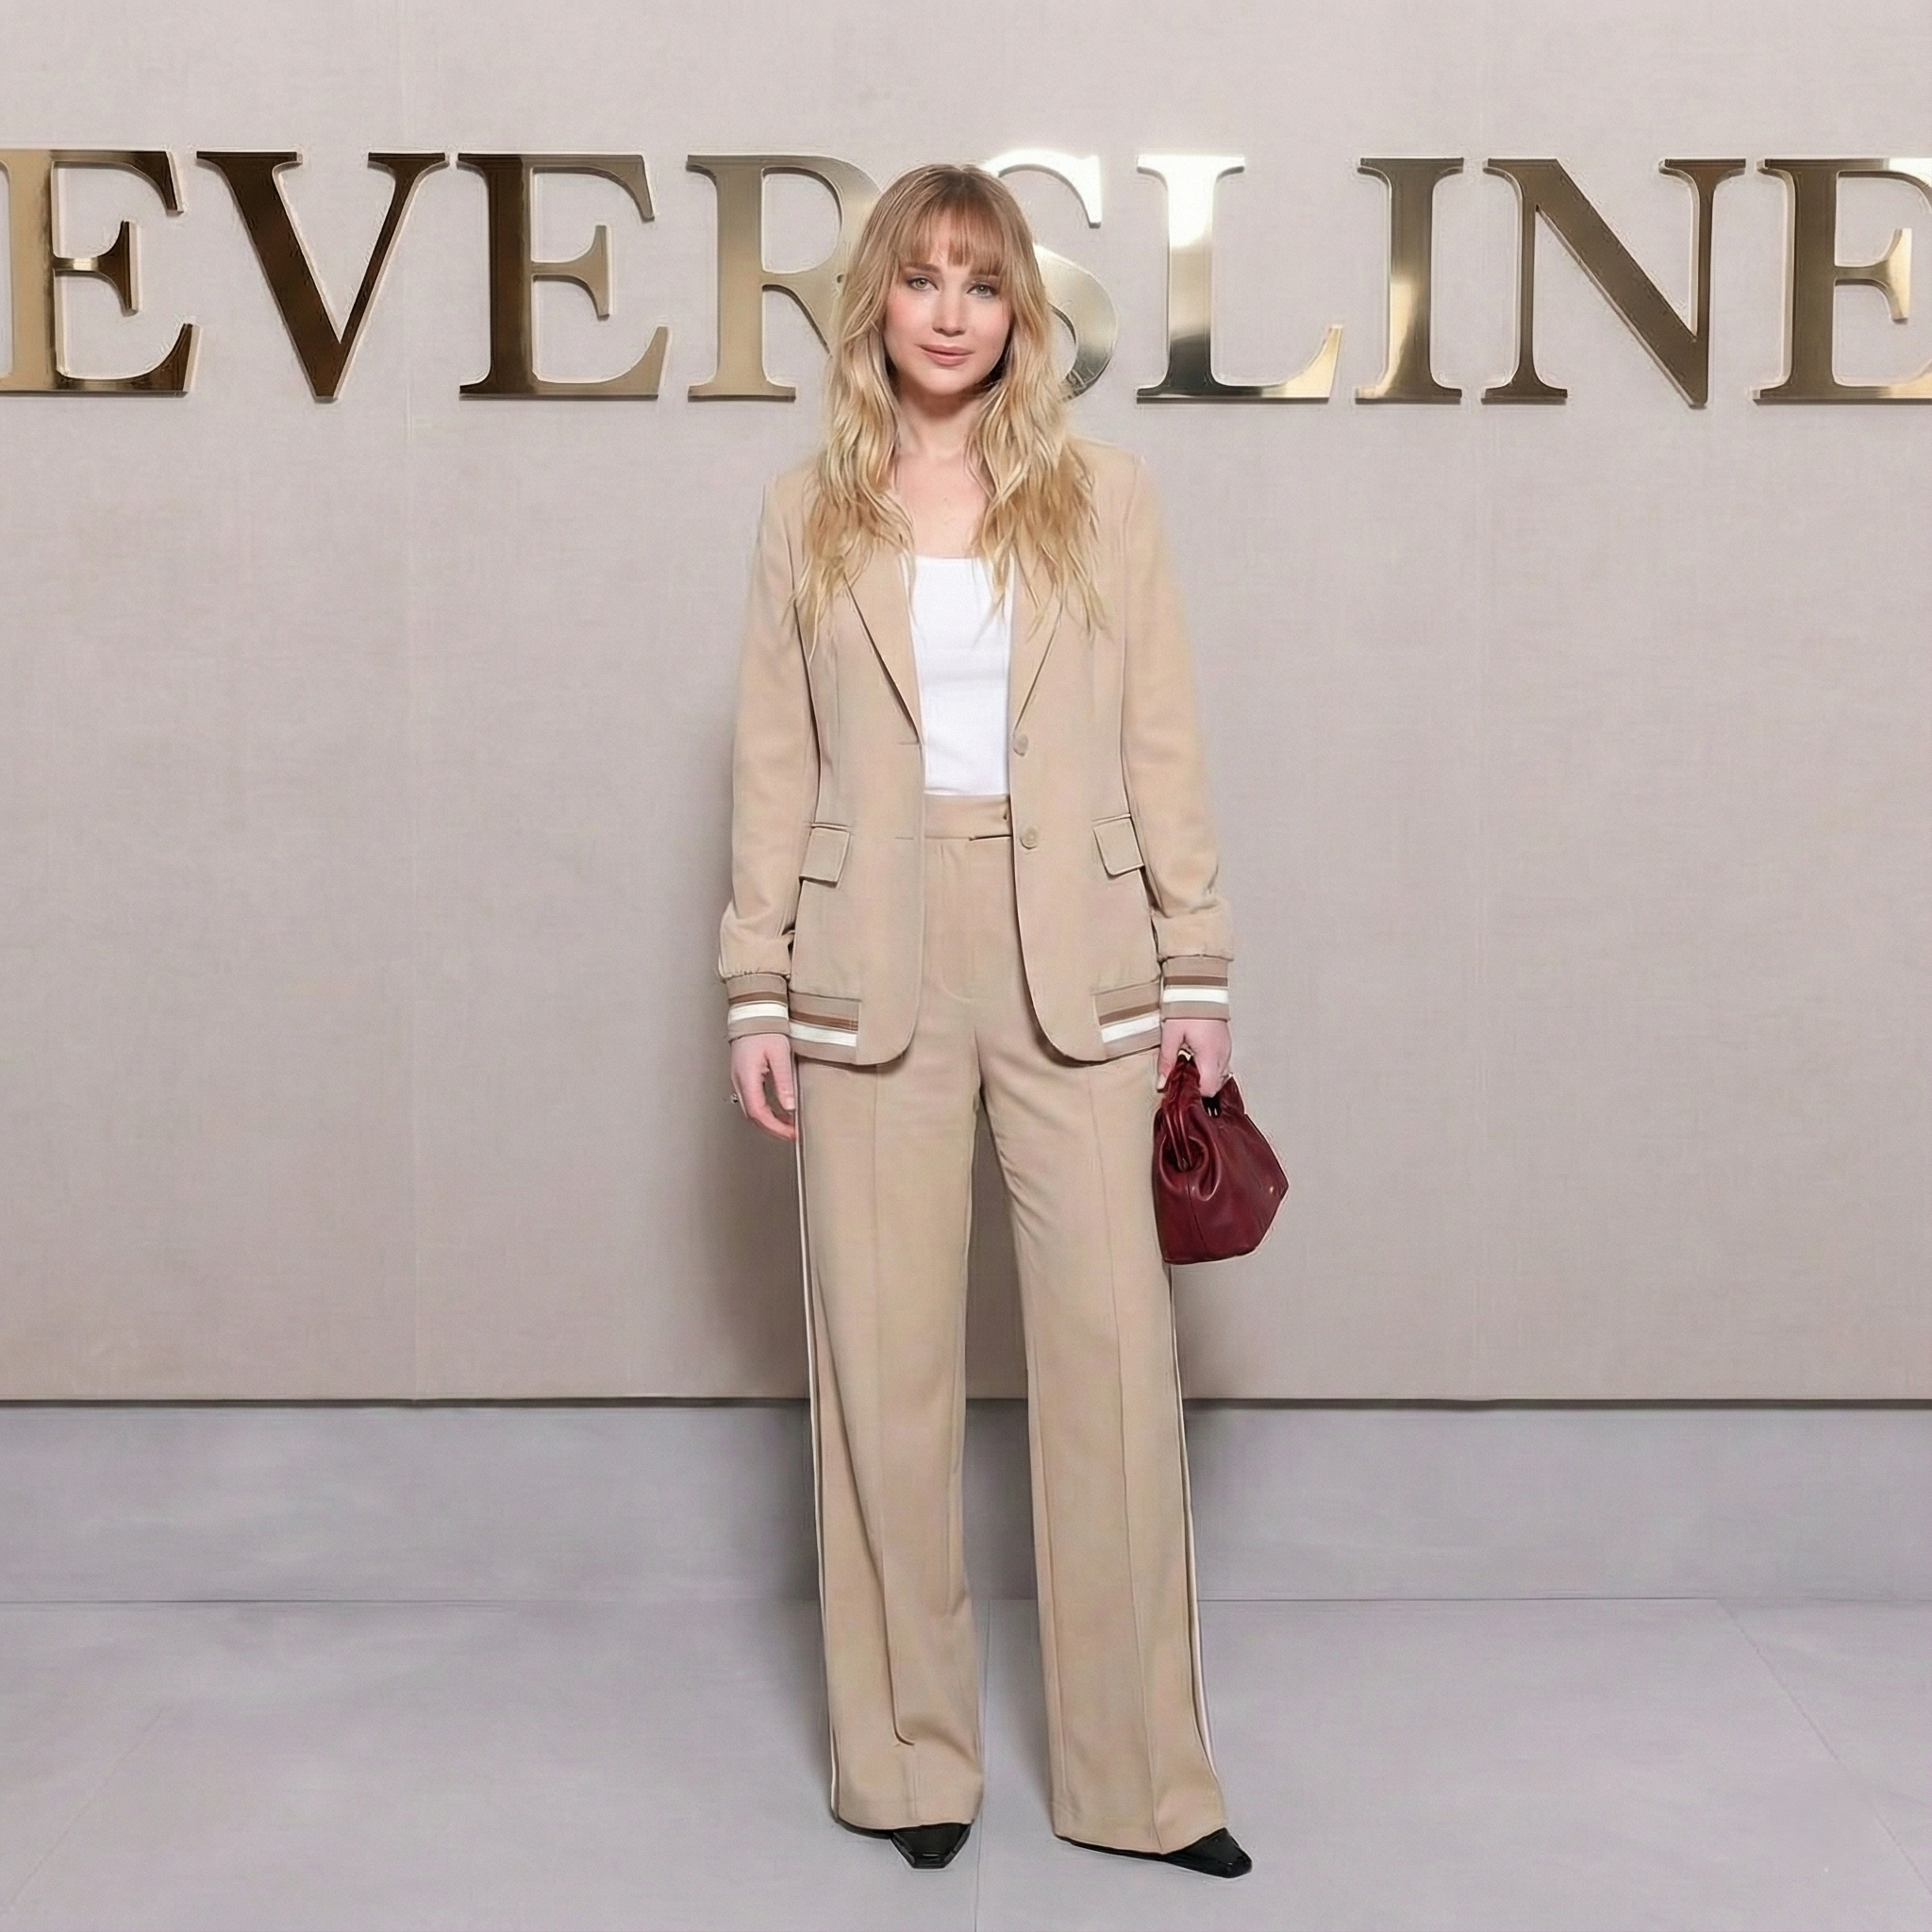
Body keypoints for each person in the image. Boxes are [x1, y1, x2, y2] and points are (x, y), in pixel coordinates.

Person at [718, 161, 1249, 1880]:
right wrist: (752, 983)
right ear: (876, 302)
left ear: (1021, 313)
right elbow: (773, 765)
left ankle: (1142, 1785)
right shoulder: (804, 514)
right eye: (921, 278)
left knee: (1113, 1372)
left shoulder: (1107, 500)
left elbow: (1163, 742)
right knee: (882, 1378)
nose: (949, 312)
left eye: (983, 281)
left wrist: (1195, 970)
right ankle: (907, 1767)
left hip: (1076, 959)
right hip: (864, 960)